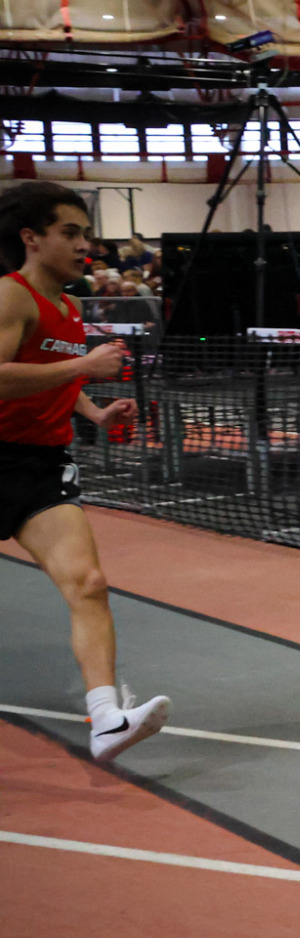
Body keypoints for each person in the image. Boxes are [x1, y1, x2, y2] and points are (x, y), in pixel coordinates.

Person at [0, 183, 168, 763]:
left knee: (88, 583)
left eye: (85, 233)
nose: (83, 245)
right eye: (69, 233)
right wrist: (85, 365)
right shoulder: (11, 297)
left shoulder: (71, 307)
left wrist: (94, 407)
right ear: (32, 238)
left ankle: (106, 720)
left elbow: (51, 375)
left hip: (41, 466)